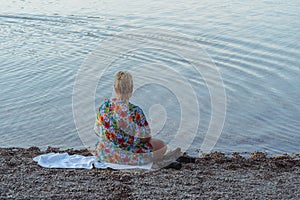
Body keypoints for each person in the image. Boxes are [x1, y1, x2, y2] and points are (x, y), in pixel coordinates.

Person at [93, 71, 180, 166]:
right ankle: (160, 160)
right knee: (161, 145)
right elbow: (145, 138)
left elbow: (97, 131)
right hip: (125, 156)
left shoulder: (103, 107)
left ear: (115, 87)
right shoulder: (135, 111)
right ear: (132, 88)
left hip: (104, 153)